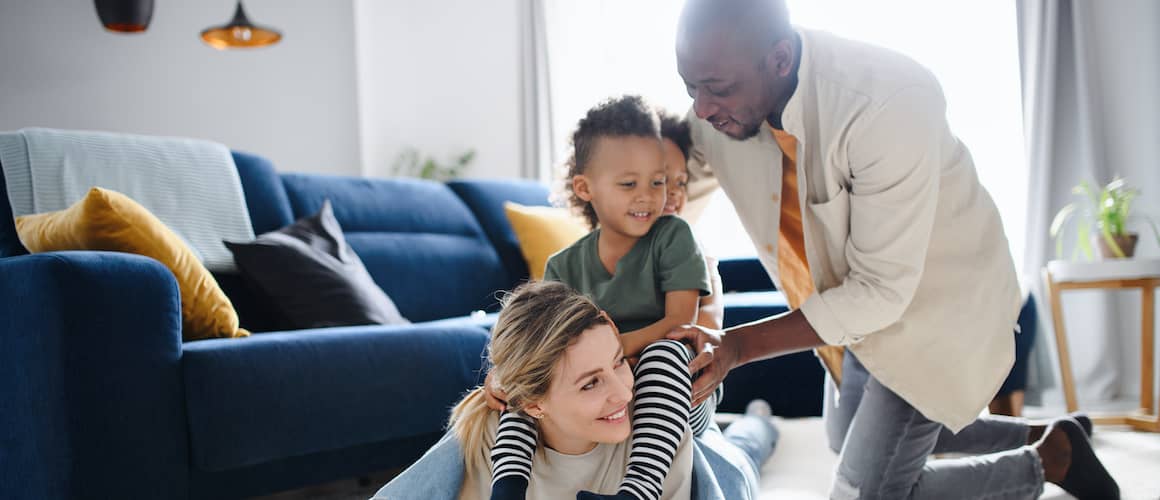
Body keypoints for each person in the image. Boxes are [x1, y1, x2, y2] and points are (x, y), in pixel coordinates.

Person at [667, 0, 1120, 498]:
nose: (703, 108)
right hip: (850, 312)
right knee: (845, 440)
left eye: (718, 89)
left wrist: (737, 346)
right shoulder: (719, 112)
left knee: (865, 492)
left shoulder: (885, 101)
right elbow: (661, 192)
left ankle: (1049, 461)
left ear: (778, 59)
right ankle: (1045, 437)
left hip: (931, 313)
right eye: (692, 87)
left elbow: (880, 291)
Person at [486, 95, 731, 500]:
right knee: (528, 389)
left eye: (660, 182)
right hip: (604, 395)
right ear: (585, 189)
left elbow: (679, 325)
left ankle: (637, 491)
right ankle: (507, 489)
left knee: (664, 353)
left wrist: (607, 356)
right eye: (631, 183)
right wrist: (506, 373)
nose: (653, 196)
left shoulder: (673, 238)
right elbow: (539, 339)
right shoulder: (563, 265)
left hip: (679, 387)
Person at [373, 280, 777, 499]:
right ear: (532, 404)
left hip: (704, 444)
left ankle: (759, 421)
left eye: (619, 361)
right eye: (590, 383)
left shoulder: (656, 429)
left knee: (746, 448)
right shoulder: (489, 444)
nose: (623, 392)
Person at [658, 111, 724, 331]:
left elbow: (711, 314)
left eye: (682, 182)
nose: (675, 192)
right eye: (661, 180)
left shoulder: (693, 249)